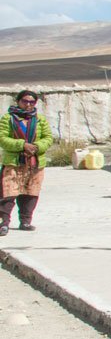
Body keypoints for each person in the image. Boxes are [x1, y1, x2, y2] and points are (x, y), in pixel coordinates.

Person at [1, 89, 52, 236]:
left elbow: (48, 138)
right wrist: (22, 145)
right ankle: (4, 222)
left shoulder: (39, 119)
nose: (28, 105)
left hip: (34, 162)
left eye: (32, 102)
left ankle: (25, 220)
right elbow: (3, 138)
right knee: (8, 192)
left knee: (31, 191)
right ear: (18, 102)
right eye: (25, 101)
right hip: (14, 162)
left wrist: (36, 147)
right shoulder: (8, 119)